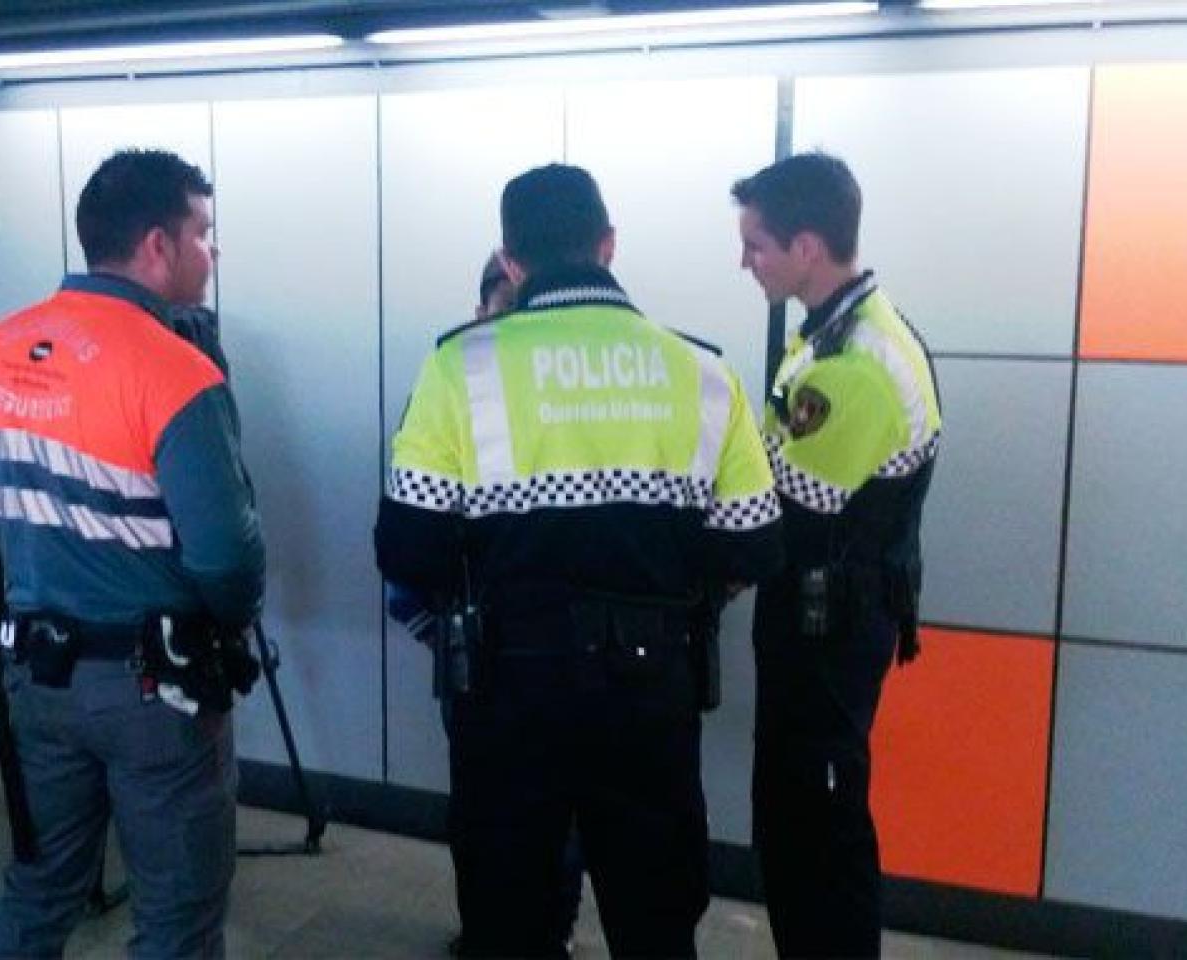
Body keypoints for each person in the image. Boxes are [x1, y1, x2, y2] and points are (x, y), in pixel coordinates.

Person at [377, 164, 782, 958]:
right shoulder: (703, 371)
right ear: (607, 245)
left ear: (513, 262)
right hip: (651, 686)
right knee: (656, 919)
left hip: (506, 688)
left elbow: (407, 548)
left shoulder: (459, 366)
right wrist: (674, 593)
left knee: (509, 920)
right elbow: (755, 543)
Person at [0, 148, 264, 959]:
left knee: (41, 886)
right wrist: (229, 623)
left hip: (37, 678)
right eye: (203, 232)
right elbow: (226, 555)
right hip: (156, 692)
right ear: (158, 244)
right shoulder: (177, 370)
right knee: (176, 917)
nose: (211, 251)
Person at [733, 152, 943, 958]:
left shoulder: (859, 362)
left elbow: (785, 509)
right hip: (814, 619)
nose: (745, 262)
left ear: (807, 247)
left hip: (829, 627)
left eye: (756, 245)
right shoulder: (826, 335)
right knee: (796, 820)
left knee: (818, 831)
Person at [386, 251, 586, 955]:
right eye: (502, 306)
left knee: (560, 814)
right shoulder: (451, 383)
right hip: (473, 641)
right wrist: (429, 621)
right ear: (482, 309)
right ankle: (487, 932)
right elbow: (409, 517)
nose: (512, 322)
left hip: (562, 642)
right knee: (479, 809)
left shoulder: (567, 394)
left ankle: (549, 933)